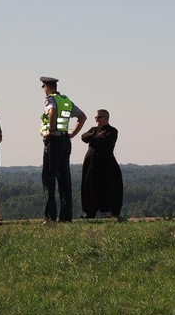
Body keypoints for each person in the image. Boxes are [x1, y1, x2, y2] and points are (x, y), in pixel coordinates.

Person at [39, 76, 87, 222]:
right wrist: (71, 133)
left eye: (43, 86)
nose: (42, 89)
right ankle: (66, 217)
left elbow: (52, 112)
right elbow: (82, 117)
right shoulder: (66, 101)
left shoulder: (50, 100)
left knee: (48, 178)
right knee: (64, 179)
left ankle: (50, 217)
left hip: (54, 141)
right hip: (65, 141)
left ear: (47, 86)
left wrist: (50, 131)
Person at [81, 109, 123, 219]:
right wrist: (95, 136)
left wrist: (93, 137)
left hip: (106, 165)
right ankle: (89, 213)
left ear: (106, 118)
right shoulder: (94, 130)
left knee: (109, 188)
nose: (96, 119)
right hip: (91, 165)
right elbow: (84, 137)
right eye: (95, 117)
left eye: (99, 117)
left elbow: (104, 141)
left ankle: (112, 213)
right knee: (89, 188)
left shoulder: (112, 131)